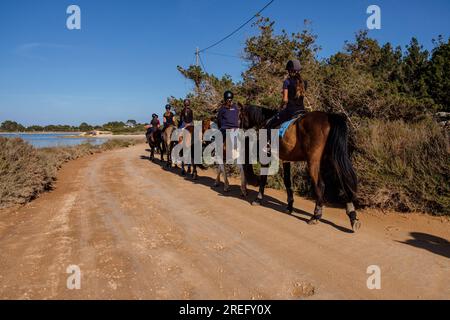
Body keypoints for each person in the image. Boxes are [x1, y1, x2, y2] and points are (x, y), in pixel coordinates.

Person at [266, 59, 307, 131]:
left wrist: (280, 108)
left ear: (290, 71)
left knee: (270, 124)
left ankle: (268, 142)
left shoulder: (287, 82)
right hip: (302, 111)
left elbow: (285, 100)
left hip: (290, 111)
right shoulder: (304, 83)